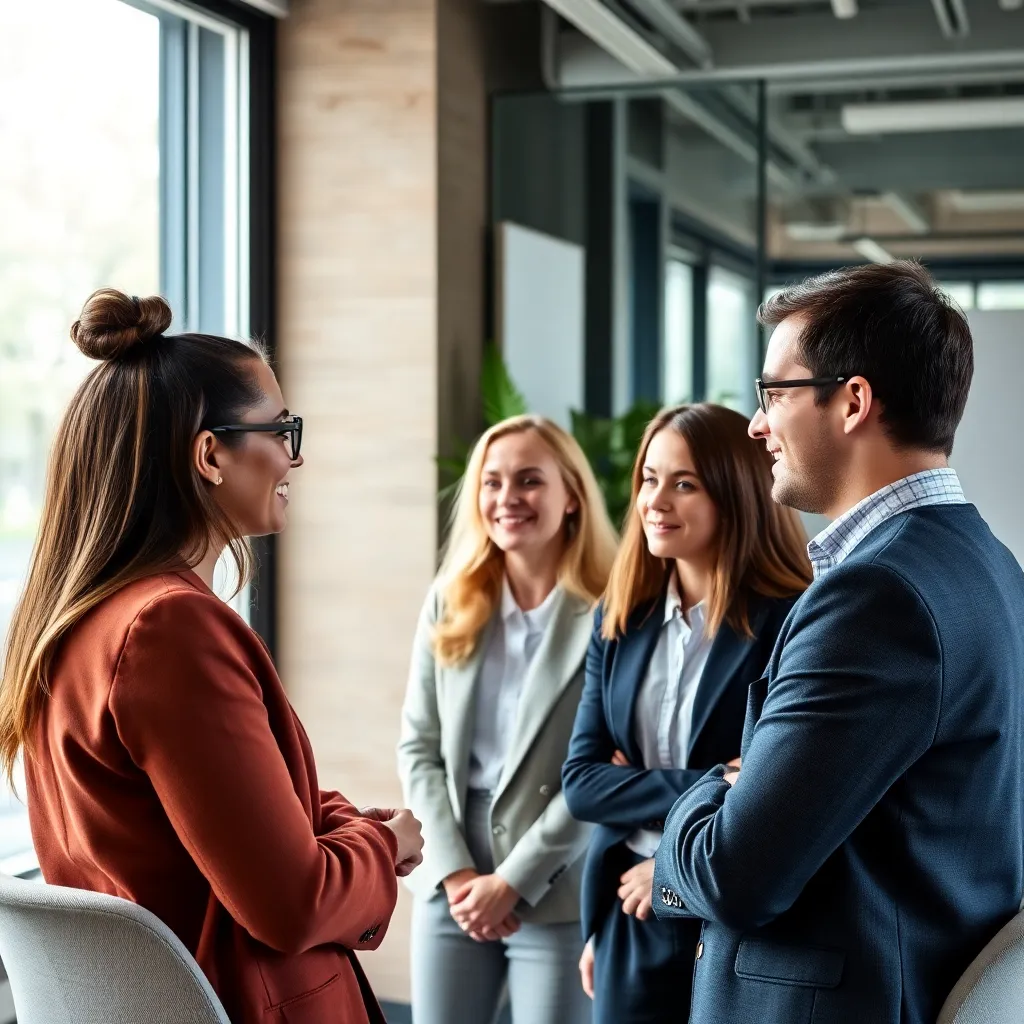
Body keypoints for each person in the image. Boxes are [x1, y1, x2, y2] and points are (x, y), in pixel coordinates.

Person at [1, 289, 423, 1024]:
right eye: (282, 429)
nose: (298, 455)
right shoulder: (170, 632)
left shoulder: (74, 623)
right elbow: (294, 905)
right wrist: (383, 845)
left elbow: (204, 823)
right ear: (210, 456)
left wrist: (336, 826)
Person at [653, 262, 1024, 1024]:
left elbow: (735, 874)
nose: (757, 424)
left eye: (772, 394)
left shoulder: (875, 596)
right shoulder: (987, 561)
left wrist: (698, 793)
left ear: (853, 401)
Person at [562, 403, 811, 1023]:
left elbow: (781, 792)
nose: (656, 501)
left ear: (737, 493)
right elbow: (583, 784)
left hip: (731, 919)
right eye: (649, 478)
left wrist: (660, 829)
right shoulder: (621, 618)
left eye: (685, 483)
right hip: (628, 908)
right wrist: (714, 781)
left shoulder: (792, 619)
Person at [398, 414, 618, 1024]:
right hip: (452, 867)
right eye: (491, 483)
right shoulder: (451, 597)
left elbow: (605, 769)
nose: (507, 499)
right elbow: (418, 746)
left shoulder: (614, 609)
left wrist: (514, 880)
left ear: (571, 495)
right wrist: (459, 874)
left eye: (528, 481)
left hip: (556, 878)